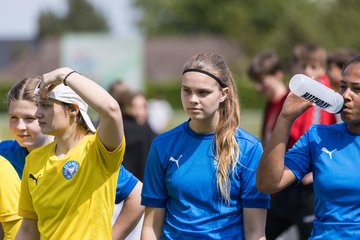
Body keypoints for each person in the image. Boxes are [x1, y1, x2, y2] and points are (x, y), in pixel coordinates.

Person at [141, 53, 270, 239]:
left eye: (203, 92)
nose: (193, 99)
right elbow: (151, 227)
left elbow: (255, 232)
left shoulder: (249, 149)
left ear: (223, 94)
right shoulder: (162, 146)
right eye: (186, 91)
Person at [0, 76, 143, 240]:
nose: (38, 114)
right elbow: (28, 229)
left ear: (74, 109)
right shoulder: (32, 159)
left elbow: (111, 110)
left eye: (45, 106)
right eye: (13, 117)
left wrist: (66, 74)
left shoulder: (97, 151)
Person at [257, 55, 360, 239]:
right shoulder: (318, 136)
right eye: (343, 87)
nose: (345, 96)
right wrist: (285, 118)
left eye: (357, 89)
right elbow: (268, 183)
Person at [108, 81, 156, 181]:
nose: (139, 112)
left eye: (143, 107)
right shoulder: (143, 133)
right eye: (135, 107)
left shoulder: (153, 136)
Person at [247, 49, 289, 146]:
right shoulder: (270, 105)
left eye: (261, 80)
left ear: (278, 75)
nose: (257, 87)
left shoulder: (291, 103)